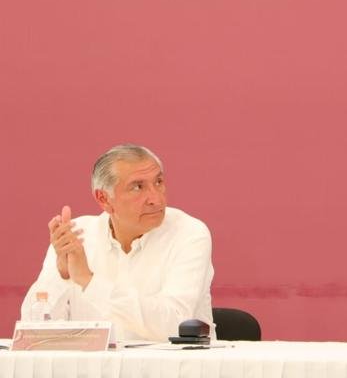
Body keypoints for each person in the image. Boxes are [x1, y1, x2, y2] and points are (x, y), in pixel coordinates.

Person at [21, 144, 215, 341]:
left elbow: (175, 325)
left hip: (170, 362)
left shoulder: (189, 233)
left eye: (158, 182)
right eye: (138, 187)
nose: (156, 199)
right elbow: (34, 332)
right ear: (104, 199)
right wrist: (62, 276)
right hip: (93, 362)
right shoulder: (76, 236)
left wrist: (89, 281)